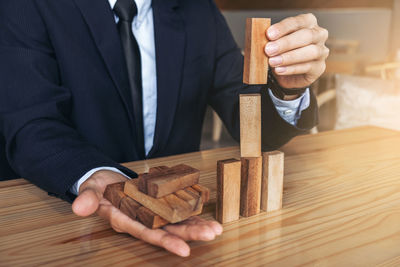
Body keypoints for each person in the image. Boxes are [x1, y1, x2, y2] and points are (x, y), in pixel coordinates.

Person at [0, 0, 328, 257]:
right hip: (62, 228)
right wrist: (94, 174)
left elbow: (251, 119)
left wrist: (288, 90)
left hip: (179, 227)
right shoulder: (27, 5)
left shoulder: (198, 9)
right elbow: (31, 122)